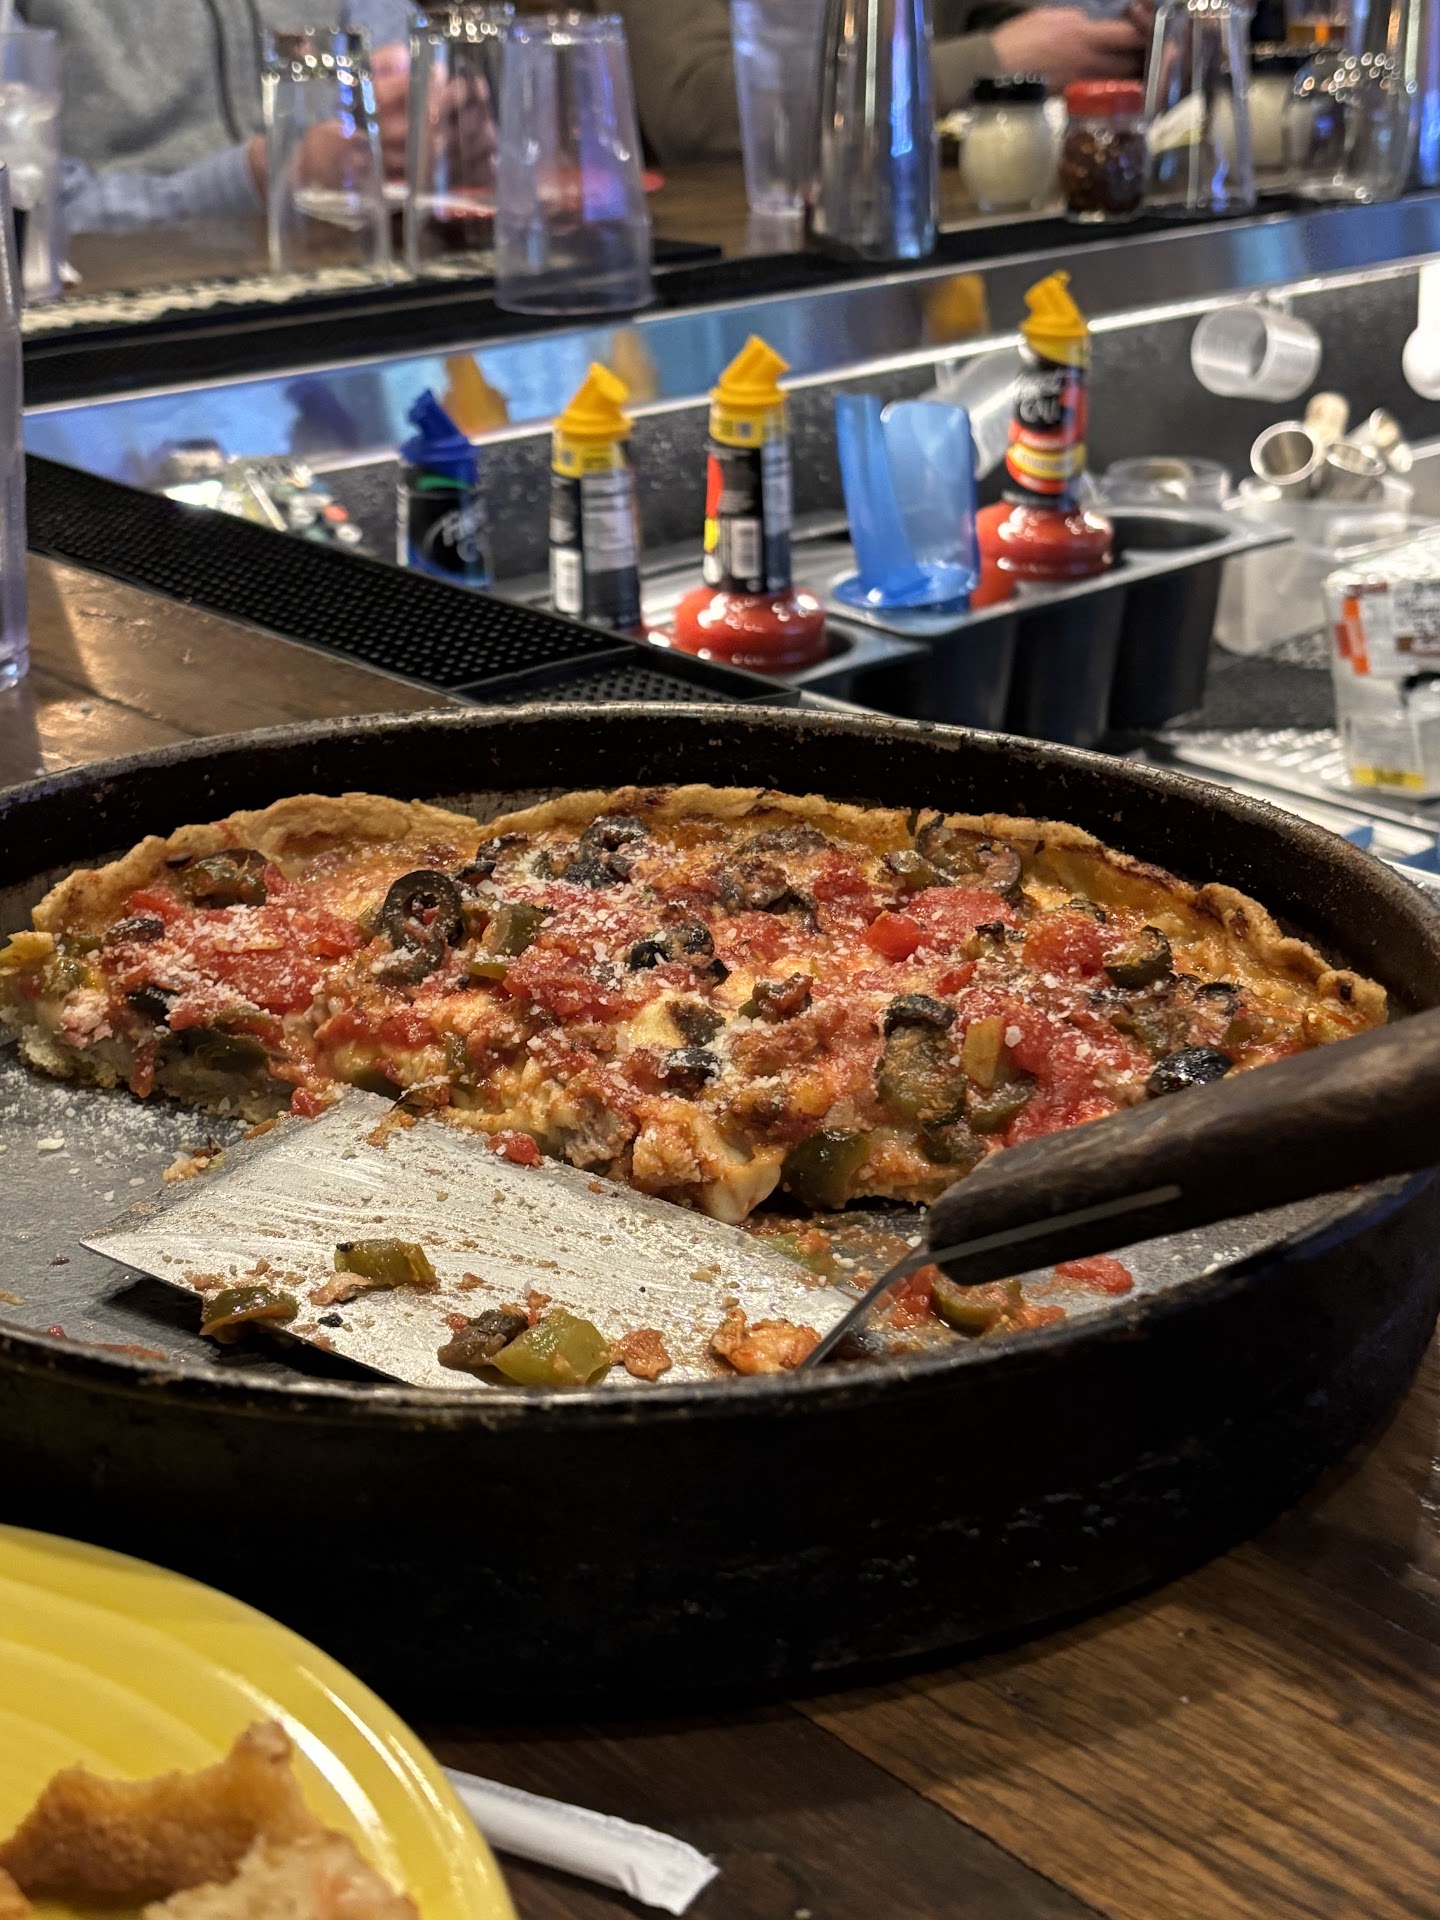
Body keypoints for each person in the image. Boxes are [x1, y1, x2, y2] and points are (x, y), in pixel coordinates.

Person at [19, 0, 411, 234]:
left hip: (359, 282)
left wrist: (425, 121)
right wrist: (257, 176)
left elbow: (406, 63)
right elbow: (29, 220)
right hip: (121, 318)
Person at [610, 0, 1152, 165]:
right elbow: (699, 107)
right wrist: (990, 61)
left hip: (949, 232)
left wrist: (1127, 39)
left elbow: (986, 18)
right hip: (739, 276)